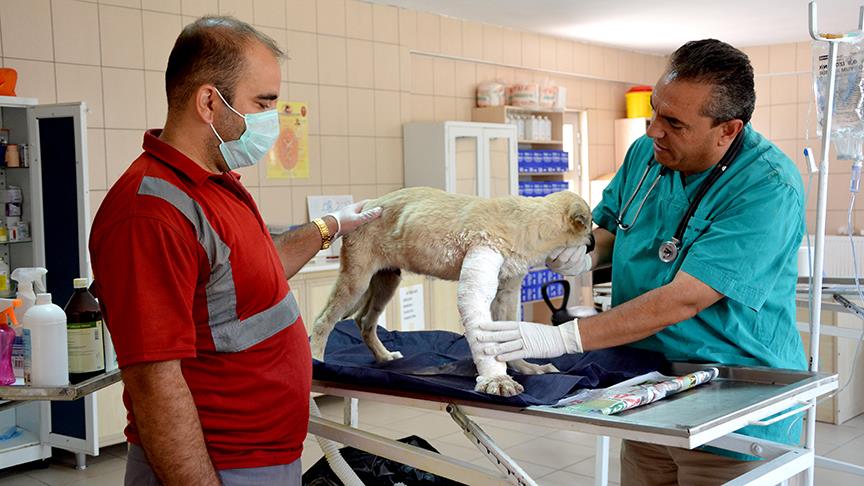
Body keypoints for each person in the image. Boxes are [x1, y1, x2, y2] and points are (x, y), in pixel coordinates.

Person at [478, 39, 806, 485]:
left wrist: (561, 338)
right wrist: (578, 251)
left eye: (673, 122)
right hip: (645, 384)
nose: (654, 130)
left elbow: (683, 299)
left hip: (733, 397)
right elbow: (612, 228)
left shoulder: (767, 187)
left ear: (727, 130)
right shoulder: (647, 156)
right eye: (654, 111)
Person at [89, 17, 380, 486]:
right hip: (214, 464)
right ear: (208, 102)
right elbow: (155, 385)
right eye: (263, 103)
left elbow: (257, 275)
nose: (273, 119)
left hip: (264, 453)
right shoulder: (149, 216)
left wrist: (332, 226)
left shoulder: (216, 184)